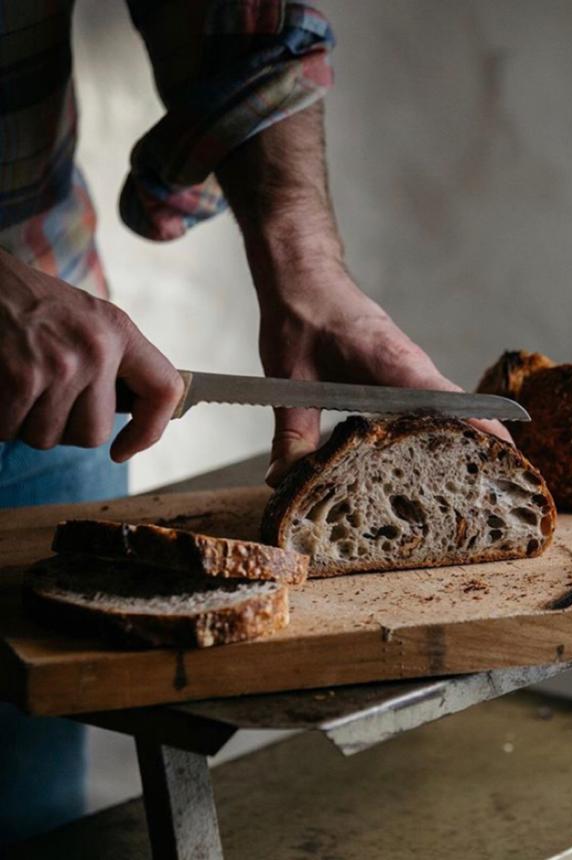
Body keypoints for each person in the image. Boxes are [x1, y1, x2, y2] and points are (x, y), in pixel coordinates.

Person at [0, 2, 506, 844]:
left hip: (46, 397)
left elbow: (237, 16)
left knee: (29, 820)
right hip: (39, 344)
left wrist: (305, 263)